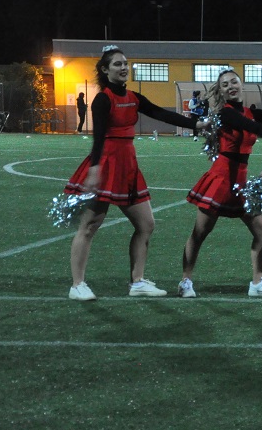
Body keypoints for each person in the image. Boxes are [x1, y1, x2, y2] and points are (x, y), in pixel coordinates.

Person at [63, 45, 203, 301]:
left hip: (128, 166)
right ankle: (77, 285)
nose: (124, 68)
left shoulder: (134, 97)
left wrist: (196, 123)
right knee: (89, 226)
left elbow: (161, 113)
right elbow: (98, 137)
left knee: (146, 225)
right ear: (105, 70)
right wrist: (94, 169)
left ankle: (137, 282)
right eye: (117, 64)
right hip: (107, 164)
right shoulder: (103, 99)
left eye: (125, 63)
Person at [179, 66, 262, 299]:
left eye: (234, 82)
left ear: (241, 84)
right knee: (200, 232)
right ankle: (185, 281)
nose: (230, 87)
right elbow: (253, 127)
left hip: (241, 182)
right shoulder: (226, 113)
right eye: (225, 85)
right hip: (221, 179)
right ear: (221, 91)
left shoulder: (251, 112)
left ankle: (258, 283)